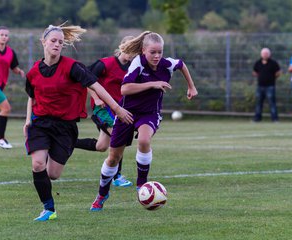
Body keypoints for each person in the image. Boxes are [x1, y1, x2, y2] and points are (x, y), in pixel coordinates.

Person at [23, 23, 133, 221]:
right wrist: (28, 121)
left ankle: (54, 151)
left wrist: (117, 109)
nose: (57, 45)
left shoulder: (72, 67)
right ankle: (49, 209)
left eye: (60, 42)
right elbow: (32, 96)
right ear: (43, 42)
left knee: (53, 174)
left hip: (65, 127)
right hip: (40, 123)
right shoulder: (33, 72)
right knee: (38, 164)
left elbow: (97, 86)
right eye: (53, 41)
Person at [90, 31, 198, 211]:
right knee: (113, 158)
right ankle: (102, 194)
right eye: (152, 52)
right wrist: (152, 84)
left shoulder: (167, 64)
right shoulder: (137, 62)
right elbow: (124, 89)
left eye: (160, 52)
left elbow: (181, 64)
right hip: (126, 113)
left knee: (144, 140)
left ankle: (142, 185)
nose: (156, 56)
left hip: (150, 113)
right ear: (143, 51)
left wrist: (191, 86)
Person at [75, 36, 135, 187]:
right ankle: (117, 177)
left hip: (118, 110)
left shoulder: (132, 68)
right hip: (102, 108)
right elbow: (85, 80)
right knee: (118, 134)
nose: (131, 54)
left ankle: (67, 142)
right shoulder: (105, 64)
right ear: (121, 47)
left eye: (135, 51)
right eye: (129, 49)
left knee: (101, 146)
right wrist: (96, 98)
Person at [252, 48, 281, 122]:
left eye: (266, 53)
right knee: (259, 103)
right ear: (261, 54)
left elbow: (278, 72)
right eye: (263, 53)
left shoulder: (273, 63)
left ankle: (274, 118)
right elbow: (255, 72)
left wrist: (272, 78)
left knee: (272, 103)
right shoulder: (258, 63)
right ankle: (257, 118)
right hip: (260, 86)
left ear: (269, 54)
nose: (265, 55)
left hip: (270, 86)